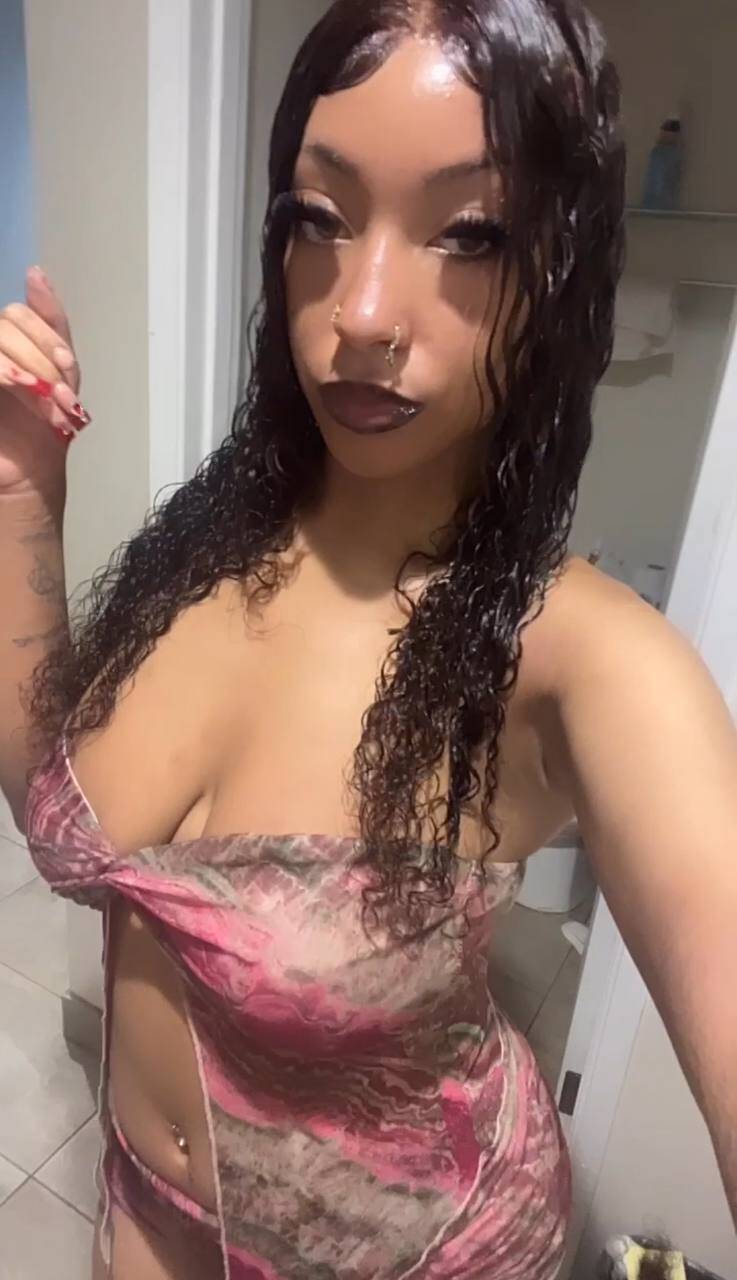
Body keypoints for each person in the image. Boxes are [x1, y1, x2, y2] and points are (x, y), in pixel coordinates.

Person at [0, 0, 735, 1276]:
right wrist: (22, 495)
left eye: (467, 233)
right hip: (145, 1222)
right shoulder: (208, 551)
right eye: (320, 217)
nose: (362, 311)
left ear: (556, 271)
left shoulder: (585, 660)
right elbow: (55, 806)